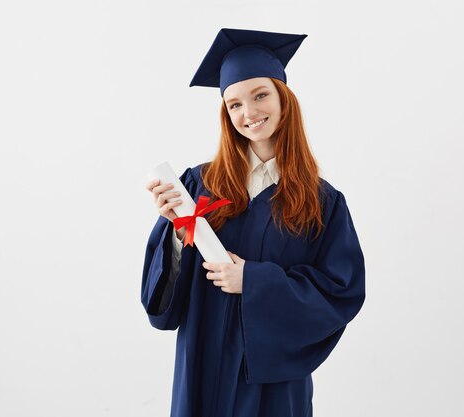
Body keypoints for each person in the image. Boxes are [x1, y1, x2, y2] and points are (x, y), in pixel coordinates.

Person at [141, 28, 365, 417]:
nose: (249, 113)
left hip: (273, 384)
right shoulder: (199, 186)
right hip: (203, 370)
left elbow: (341, 294)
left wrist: (255, 281)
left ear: (283, 98)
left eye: (260, 95)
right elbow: (161, 306)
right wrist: (178, 233)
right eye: (234, 105)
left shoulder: (322, 201)